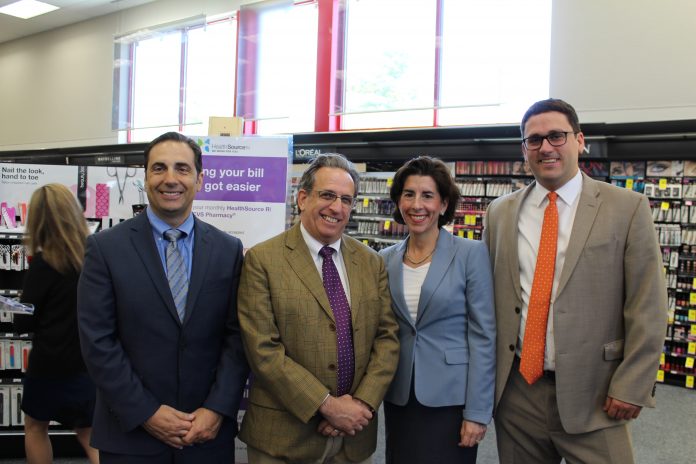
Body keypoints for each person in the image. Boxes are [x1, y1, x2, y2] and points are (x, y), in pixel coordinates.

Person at [483, 98, 667, 464]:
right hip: (519, 393)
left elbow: (648, 305)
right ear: (524, 150)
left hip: (597, 391)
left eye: (556, 136)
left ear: (579, 140)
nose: (546, 147)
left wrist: (633, 384)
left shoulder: (627, 207)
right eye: (534, 140)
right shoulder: (500, 213)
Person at [77, 132, 249, 464]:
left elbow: (237, 336)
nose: (170, 179)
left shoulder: (227, 250)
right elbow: (97, 340)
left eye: (182, 169)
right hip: (132, 435)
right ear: (145, 177)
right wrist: (146, 412)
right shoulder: (105, 249)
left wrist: (216, 409)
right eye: (159, 168)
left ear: (199, 179)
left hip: (205, 436)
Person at [237, 153, 400, 464]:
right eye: (327, 195)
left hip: (353, 438)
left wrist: (362, 405)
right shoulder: (263, 260)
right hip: (283, 438)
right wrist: (328, 406)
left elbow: (387, 338)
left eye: (346, 199)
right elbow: (263, 350)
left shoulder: (370, 262)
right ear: (302, 198)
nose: (336, 207)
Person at [379, 156, 495, 464]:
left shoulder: (470, 255)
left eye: (428, 195)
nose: (417, 204)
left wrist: (477, 412)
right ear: (399, 201)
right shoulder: (385, 259)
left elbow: (484, 336)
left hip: (452, 400)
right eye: (409, 194)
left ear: (443, 204)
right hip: (400, 395)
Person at [13, 183, 99, 464]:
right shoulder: (94, 257)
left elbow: (23, 318)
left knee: (36, 426)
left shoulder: (43, 264)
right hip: (86, 362)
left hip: (48, 365)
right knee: (89, 433)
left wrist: (13, 303)